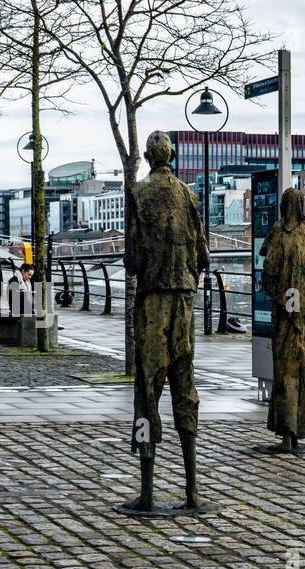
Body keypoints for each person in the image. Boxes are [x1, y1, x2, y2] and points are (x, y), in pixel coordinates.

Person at [121, 130, 210, 513]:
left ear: (146, 156)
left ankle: (147, 491)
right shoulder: (189, 195)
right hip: (184, 303)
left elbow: (132, 260)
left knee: (147, 391)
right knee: (185, 389)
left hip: (153, 302)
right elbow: (203, 255)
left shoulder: (137, 194)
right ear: (172, 155)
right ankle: (192, 492)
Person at [261, 188, 305, 453]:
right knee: (304, 371)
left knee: (284, 371)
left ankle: (286, 432)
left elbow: (269, 271)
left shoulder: (277, 232)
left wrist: (276, 295)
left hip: (285, 314)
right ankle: (298, 429)